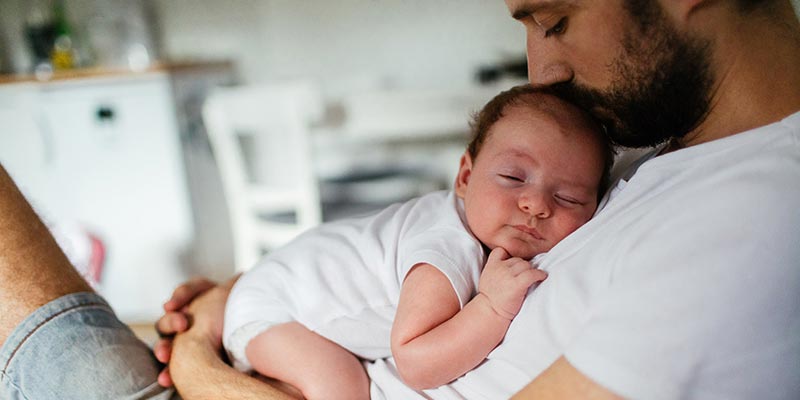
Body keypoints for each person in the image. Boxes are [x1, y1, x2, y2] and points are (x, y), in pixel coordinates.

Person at [1, 0, 798, 399]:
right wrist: (233, 305)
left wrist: (205, 369)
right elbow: (417, 245)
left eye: (555, 18)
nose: (542, 69)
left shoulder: (756, 214)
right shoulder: (653, 154)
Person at [221, 85, 612, 399]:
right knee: (342, 385)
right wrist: (492, 308)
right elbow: (415, 363)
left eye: (569, 198)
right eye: (513, 177)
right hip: (271, 309)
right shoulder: (447, 250)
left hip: (279, 282)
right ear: (464, 178)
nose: (536, 204)